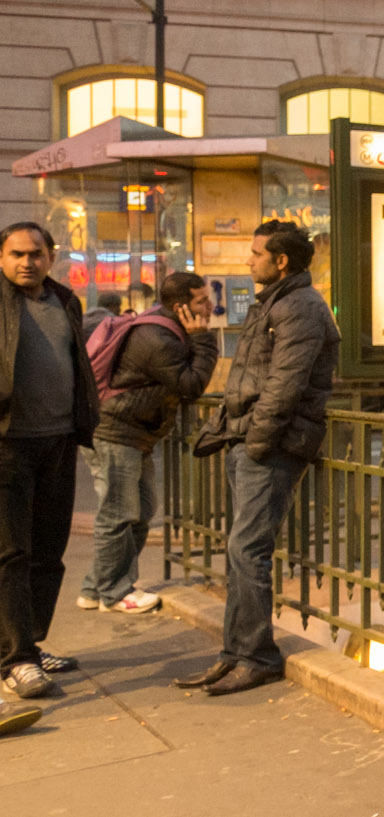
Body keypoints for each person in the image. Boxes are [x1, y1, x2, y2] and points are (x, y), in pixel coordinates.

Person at [174, 221, 338, 697]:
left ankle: (258, 655)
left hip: (269, 444)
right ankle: (235, 653)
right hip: (249, 439)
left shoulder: (301, 307)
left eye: (255, 253)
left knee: (248, 551)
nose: (248, 260)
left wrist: (258, 442)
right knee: (239, 551)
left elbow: (284, 386)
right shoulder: (276, 302)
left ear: (280, 260)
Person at [78, 272, 217, 615]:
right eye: (201, 300)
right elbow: (191, 384)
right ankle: (115, 592)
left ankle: (96, 587)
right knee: (118, 513)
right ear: (180, 306)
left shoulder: (164, 328)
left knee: (140, 510)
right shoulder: (156, 337)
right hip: (115, 432)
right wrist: (205, 340)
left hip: (133, 433)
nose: (209, 305)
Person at [0, 222, 100, 700]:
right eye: (17, 254)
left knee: (47, 554)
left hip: (58, 441)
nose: (27, 262)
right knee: (10, 554)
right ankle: (15, 659)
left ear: (50, 256)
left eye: (36, 254)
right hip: (7, 444)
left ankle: (31, 645)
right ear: (1, 258)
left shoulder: (64, 300)